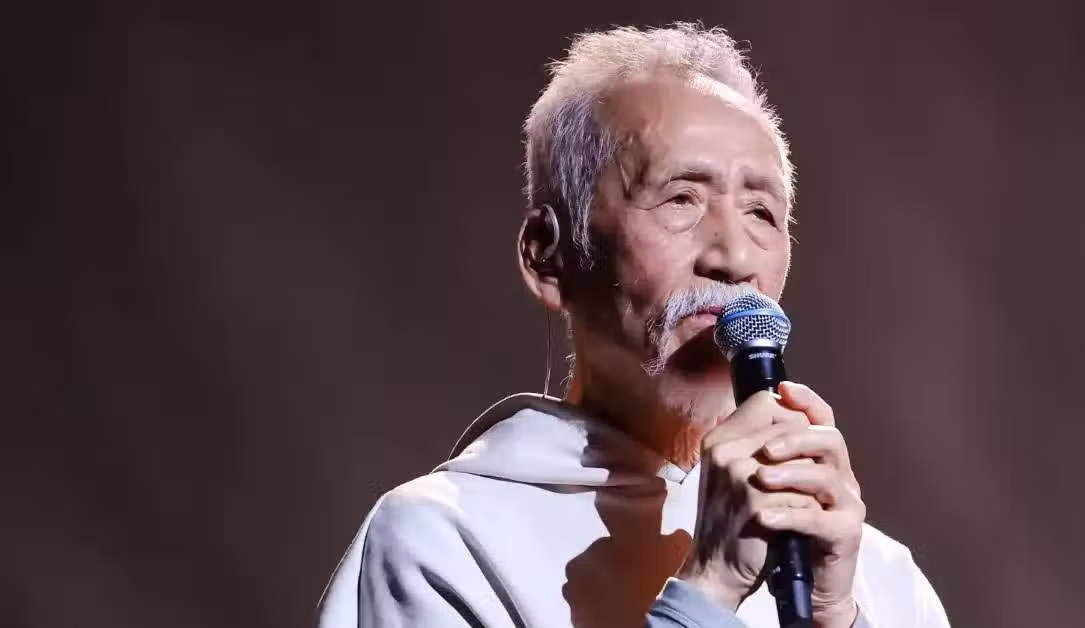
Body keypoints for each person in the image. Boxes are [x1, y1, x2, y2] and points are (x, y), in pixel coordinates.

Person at [315, 22, 950, 628]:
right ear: (549, 257)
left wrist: (834, 616)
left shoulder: (881, 581)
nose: (734, 257)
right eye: (681, 198)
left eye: (762, 211)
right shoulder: (444, 544)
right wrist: (710, 587)